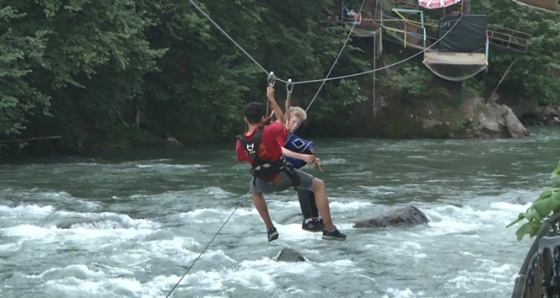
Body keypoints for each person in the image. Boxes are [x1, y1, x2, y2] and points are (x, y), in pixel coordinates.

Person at [235, 85, 346, 242]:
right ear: (263, 117)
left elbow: (244, 157)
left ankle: (270, 228)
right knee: (318, 185)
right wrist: (272, 98)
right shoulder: (270, 131)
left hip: (262, 181)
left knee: (254, 191)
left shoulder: (240, 143)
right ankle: (329, 229)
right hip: (282, 177)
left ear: (245, 119)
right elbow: (281, 121)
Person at [282, 106, 324, 232]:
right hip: (274, 168)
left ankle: (314, 219)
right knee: (302, 185)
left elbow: (300, 145)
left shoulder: (290, 135)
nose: (295, 125)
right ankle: (307, 221)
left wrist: (311, 158)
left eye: (298, 124)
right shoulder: (279, 131)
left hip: (284, 166)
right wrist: (302, 156)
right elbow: (279, 149)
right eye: (293, 122)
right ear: (287, 119)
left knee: (312, 184)